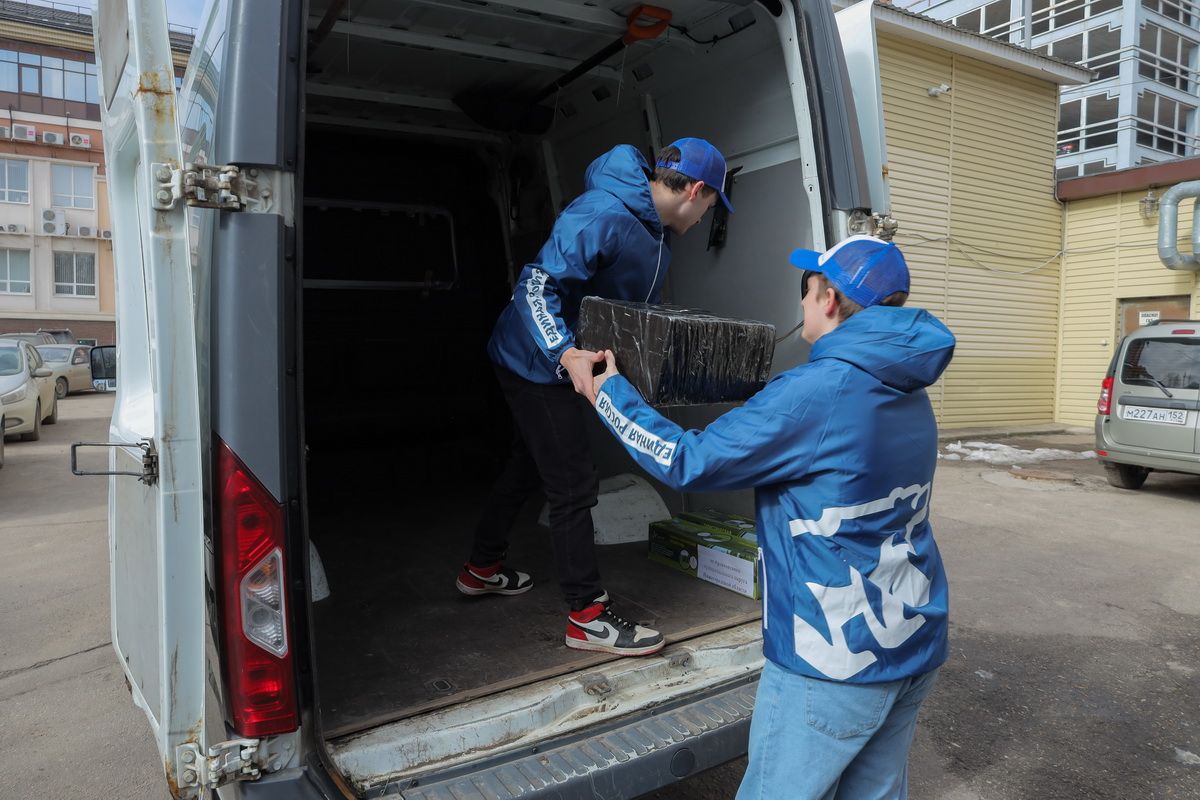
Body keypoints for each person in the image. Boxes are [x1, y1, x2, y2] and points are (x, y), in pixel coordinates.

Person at [589, 235, 955, 798]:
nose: (803, 302)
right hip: (911, 641)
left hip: (832, 660)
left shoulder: (816, 391)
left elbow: (688, 460)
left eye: (807, 289)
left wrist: (607, 392)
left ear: (829, 298)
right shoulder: (907, 385)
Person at [457, 138, 733, 657]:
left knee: (527, 464)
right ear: (696, 190)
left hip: (561, 363)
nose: (702, 221)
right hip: (533, 362)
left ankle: (481, 569)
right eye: (710, 207)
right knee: (572, 484)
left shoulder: (655, 232)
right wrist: (564, 353)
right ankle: (587, 616)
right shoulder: (602, 212)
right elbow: (535, 288)